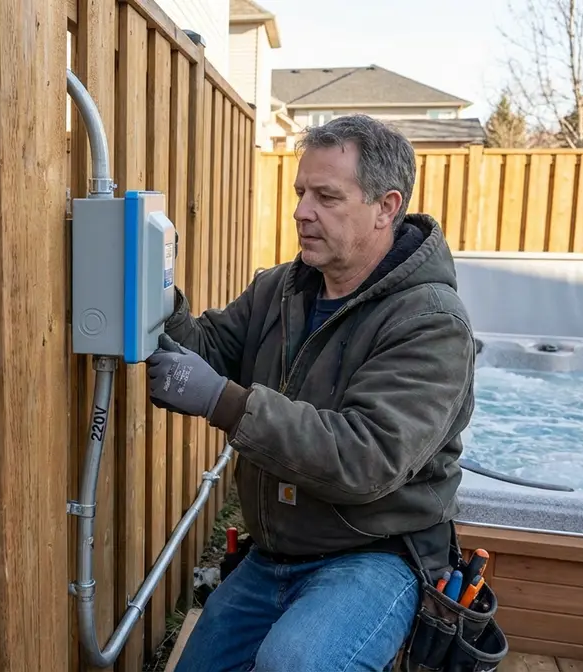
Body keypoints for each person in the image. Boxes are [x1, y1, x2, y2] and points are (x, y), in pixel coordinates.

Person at [147, 114, 477, 671]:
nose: (301, 211)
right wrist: (150, 281)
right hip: (274, 554)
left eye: (327, 196)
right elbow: (204, 349)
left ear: (386, 207)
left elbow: (366, 456)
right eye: (302, 192)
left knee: (295, 663)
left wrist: (223, 402)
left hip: (375, 554)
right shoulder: (281, 288)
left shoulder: (431, 322)